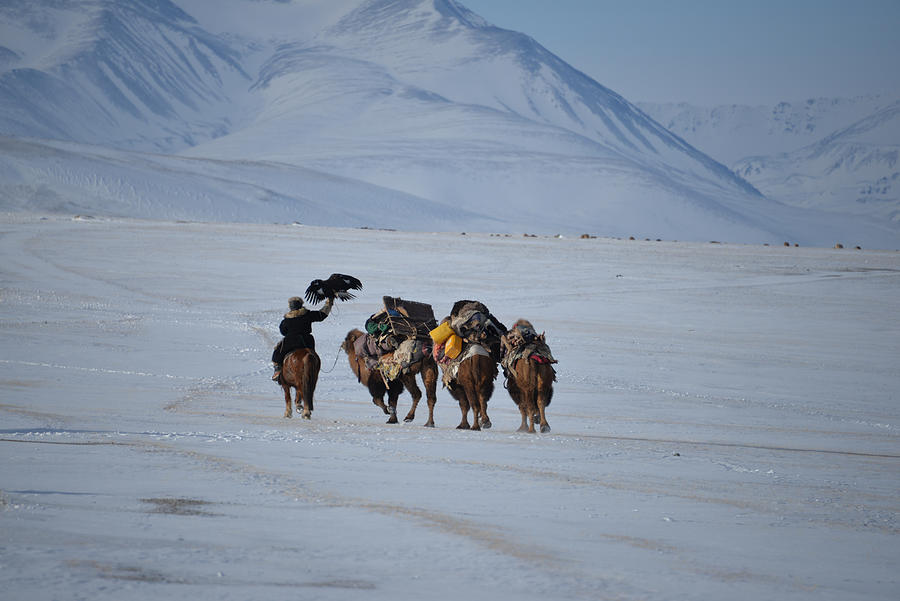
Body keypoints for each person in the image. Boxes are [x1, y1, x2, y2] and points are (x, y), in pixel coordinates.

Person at [271, 295, 334, 380]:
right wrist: (328, 303)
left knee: (277, 352)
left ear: (290, 306)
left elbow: (283, 331)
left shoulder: (286, 320)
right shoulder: (307, 314)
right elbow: (322, 315)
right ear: (301, 305)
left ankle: (278, 370)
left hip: (291, 341)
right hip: (307, 341)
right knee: (312, 355)